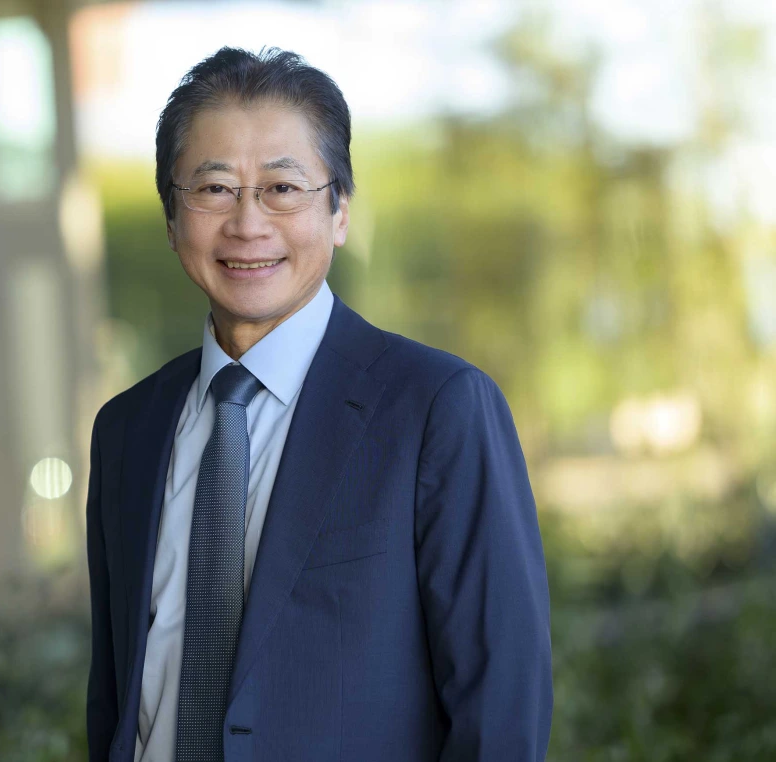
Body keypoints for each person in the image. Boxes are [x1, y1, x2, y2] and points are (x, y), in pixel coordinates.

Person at [85, 47, 552, 762]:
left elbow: (500, 716)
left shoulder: (437, 410)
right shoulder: (127, 430)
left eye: (282, 187)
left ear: (338, 212)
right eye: (213, 189)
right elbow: (118, 698)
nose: (247, 223)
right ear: (172, 217)